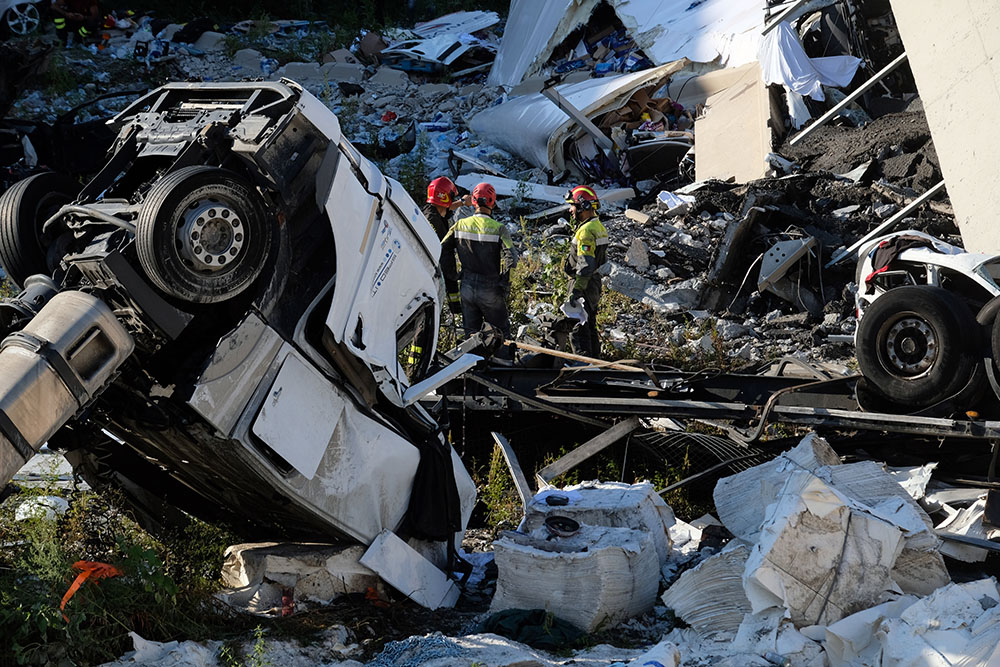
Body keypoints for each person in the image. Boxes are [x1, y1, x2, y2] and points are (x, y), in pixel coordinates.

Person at [452, 182, 518, 340]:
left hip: (466, 287)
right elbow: (512, 257)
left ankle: (475, 364)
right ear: (493, 203)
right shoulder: (499, 228)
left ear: (473, 202)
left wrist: (452, 274)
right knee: (500, 334)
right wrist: (505, 282)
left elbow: (442, 249)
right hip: (490, 289)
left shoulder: (459, 225)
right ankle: (504, 364)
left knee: (471, 337)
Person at [563, 185, 608, 357]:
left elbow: (585, 264)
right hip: (594, 283)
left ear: (584, 206)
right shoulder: (598, 227)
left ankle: (582, 364)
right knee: (589, 324)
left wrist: (576, 290)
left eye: (573, 205)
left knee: (578, 326)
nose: (570, 209)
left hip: (584, 283)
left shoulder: (586, 231)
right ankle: (595, 362)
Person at [423, 176, 468, 316]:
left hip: (437, 273)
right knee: (434, 314)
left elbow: (446, 209)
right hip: (437, 275)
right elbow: (443, 251)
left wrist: (461, 203)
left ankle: (455, 313)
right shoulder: (433, 221)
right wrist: (454, 275)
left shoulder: (431, 210)